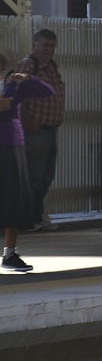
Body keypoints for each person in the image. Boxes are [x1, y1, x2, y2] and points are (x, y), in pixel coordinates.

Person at [1, 48, 53, 273]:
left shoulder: (14, 85)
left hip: (11, 142)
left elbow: (47, 92)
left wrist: (28, 78)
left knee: (13, 196)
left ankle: (10, 252)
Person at [16, 29, 65, 231]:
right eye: (44, 45)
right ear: (34, 45)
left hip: (50, 129)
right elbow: (18, 95)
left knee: (46, 176)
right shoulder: (29, 65)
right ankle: (25, 220)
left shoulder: (52, 66)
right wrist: (27, 122)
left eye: (52, 46)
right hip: (35, 130)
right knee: (32, 177)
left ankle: (36, 217)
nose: (48, 49)